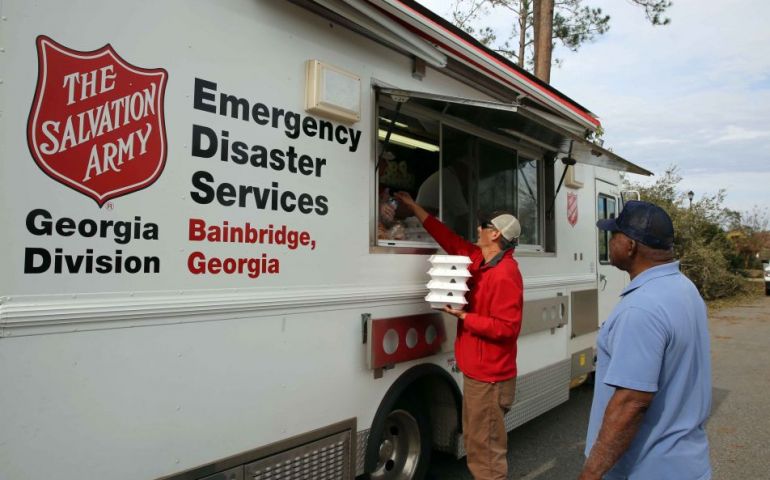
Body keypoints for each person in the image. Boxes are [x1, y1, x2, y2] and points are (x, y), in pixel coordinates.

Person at [394, 191, 523, 480]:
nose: (478, 230)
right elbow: (447, 237)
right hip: (479, 374)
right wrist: (415, 207)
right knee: (478, 446)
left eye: (484, 226)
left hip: (490, 378)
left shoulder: (505, 274)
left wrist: (465, 317)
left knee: (486, 455)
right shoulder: (480, 259)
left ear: (496, 234)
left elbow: (507, 328)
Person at [580, 200, 712, 480]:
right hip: (687, 465)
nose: (609, 241)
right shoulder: (684, 288)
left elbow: (632, 403)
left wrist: (590, 474)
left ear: (630, 245)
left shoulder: (640, 308)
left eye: (613, 235)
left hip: (647, 469)